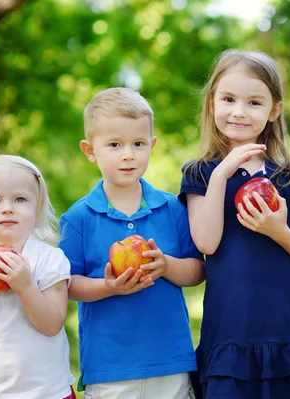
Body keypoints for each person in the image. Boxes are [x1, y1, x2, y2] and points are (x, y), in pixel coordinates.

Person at [179, 50, 290, 399]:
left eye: (254, 102)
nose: (239, 111)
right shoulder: (199, 173)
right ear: (212, 103)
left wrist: (278, 230)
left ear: (274, 110)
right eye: (228, 99)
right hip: (228, 336)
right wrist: (222, 174)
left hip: (280, 335)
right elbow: (206, 243)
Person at [58, 87, 204, 399]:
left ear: (152, 145)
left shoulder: (173, 208)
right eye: (114, 144)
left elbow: (197, 271)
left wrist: (165, 265)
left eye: (138, 144)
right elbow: (66, 285)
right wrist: (108, 287)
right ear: (90, 150)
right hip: (110, 367)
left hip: (170, 362)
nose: (128, 154)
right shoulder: (79, 218)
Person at [0, 155, 75, 399]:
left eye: (20, 199)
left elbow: (52, 325)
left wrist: (26, 286)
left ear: (36, 208)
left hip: (48, 392)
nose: (7, 207)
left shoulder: (49, 259)